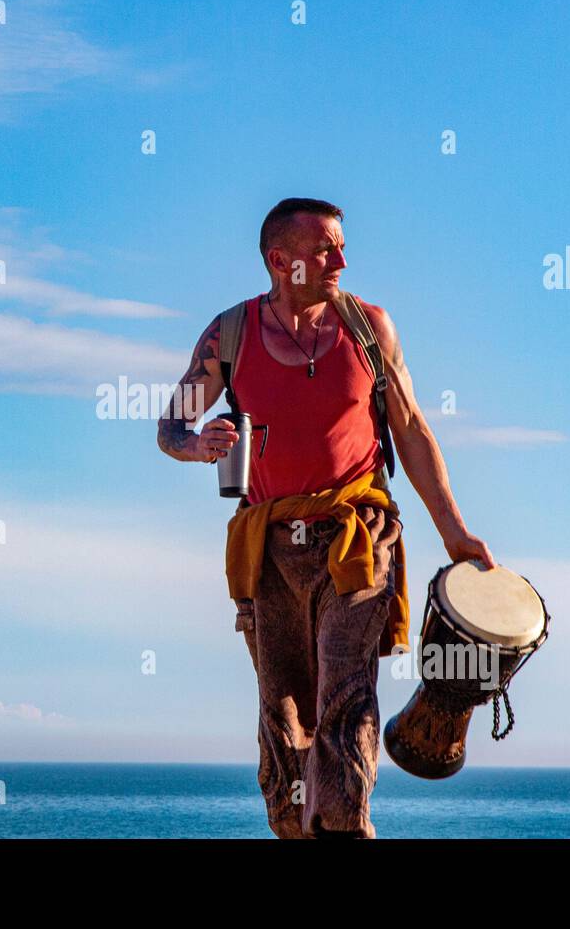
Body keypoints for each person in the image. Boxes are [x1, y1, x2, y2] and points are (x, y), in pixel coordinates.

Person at [157, 197, 495, 838]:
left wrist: (453, 530)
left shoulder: (369, 328)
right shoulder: (229, 336)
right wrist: (195, 444)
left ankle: (343, 825)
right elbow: (170, 425)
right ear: (281, 262)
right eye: (324, 250)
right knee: (283, 715)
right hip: (270, 549)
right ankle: (296, 825)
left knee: (345, 697)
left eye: (340, 246)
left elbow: (411, 428)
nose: (341, 259)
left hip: (357, 537)